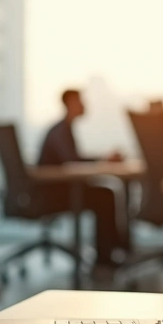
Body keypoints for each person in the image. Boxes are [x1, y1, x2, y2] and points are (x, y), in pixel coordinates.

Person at [37, 89, 128, 274]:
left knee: (105, 193)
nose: (84, 105)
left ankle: (114, 250)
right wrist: (103, 160)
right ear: (70, 103)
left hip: (60, 190)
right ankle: (107, 256)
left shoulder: (64, 129)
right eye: (80, 101)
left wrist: (103, 159)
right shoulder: (60, 131)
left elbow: (74, 159)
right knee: (104, 196)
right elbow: (72, 161)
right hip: (54, 195)